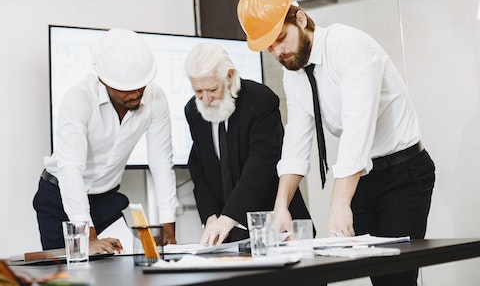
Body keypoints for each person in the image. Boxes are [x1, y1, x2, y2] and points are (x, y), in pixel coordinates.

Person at [237, 0, 435, 286]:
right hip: (362, 179)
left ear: (300, 19)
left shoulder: (349, 45)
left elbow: (358, 129)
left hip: (403, 174)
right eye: (269, 47)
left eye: (280, 38)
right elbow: (296, 143)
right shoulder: (295, 72)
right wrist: (280, 208)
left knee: (395, 281)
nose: (277, 52)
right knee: (376, 276)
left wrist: (339, 203)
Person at [33, 28, 179, 253]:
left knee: (122, 266)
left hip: (106, 198)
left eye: (142, 85)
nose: (136, 93)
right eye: (127, 88)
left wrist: (169, 231)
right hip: (59, 197)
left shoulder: (155, 99)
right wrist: (88, 237)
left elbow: (161, 164)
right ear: (103, 80)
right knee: (69, 274)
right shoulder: (79, 99)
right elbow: (71, 169)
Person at [184, 42, 312, 246]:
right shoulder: (193, 110)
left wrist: (230, 217)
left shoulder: (260, 100)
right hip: (226, 233)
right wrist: (210, 217)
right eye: (198, 91)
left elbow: (260, 164)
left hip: (274, 223)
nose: (206, 99)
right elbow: (199, 167)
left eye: (212, 89)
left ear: (229, 75)